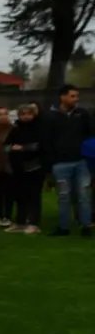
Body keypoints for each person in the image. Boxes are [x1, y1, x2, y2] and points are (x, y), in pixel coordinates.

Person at [42, 84, 92, 236]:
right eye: (72, 96)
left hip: (81, 162)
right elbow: (46, 142)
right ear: (62, 97)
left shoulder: (82, 114)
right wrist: (49, 166)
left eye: (77, 96)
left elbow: (90, 134)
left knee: (83, 195)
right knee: (64, 196)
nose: (76, 99)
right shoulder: (50, 116)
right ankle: (63, 227)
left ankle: (86, 226)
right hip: (60, 164)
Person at [5, 104, 43, 234]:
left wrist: (22, 148)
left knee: (34, 196)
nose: (26, 117)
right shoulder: (15, 129)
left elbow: (40, 146)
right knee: (19, 196)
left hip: (34, 167)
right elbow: (6, 146)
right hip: (17, 168)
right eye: (23, 114)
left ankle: (33, 223)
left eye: (29, 114)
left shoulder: (38, 128)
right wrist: (11, 148)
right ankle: (20, 222)